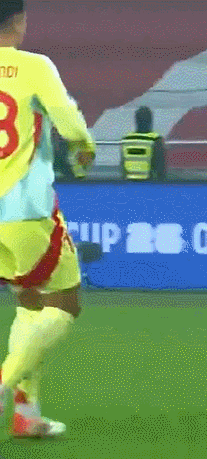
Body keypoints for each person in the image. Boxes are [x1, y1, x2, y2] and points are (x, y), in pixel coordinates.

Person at [0, 0, 96, 437]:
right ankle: (5, 383)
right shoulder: (34, 66)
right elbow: (70, 124)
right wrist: (85, 148)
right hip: (24, 207)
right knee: (65, 301)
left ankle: (27, 412)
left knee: (30, 300)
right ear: (18, 21)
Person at [120, 106, 166, 181]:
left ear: (136, 121)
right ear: (150, 121)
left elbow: (122, 165)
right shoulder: (155, 139)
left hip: (129, 182)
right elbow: (160, 167)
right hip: (148, 183)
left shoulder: (126, 139)